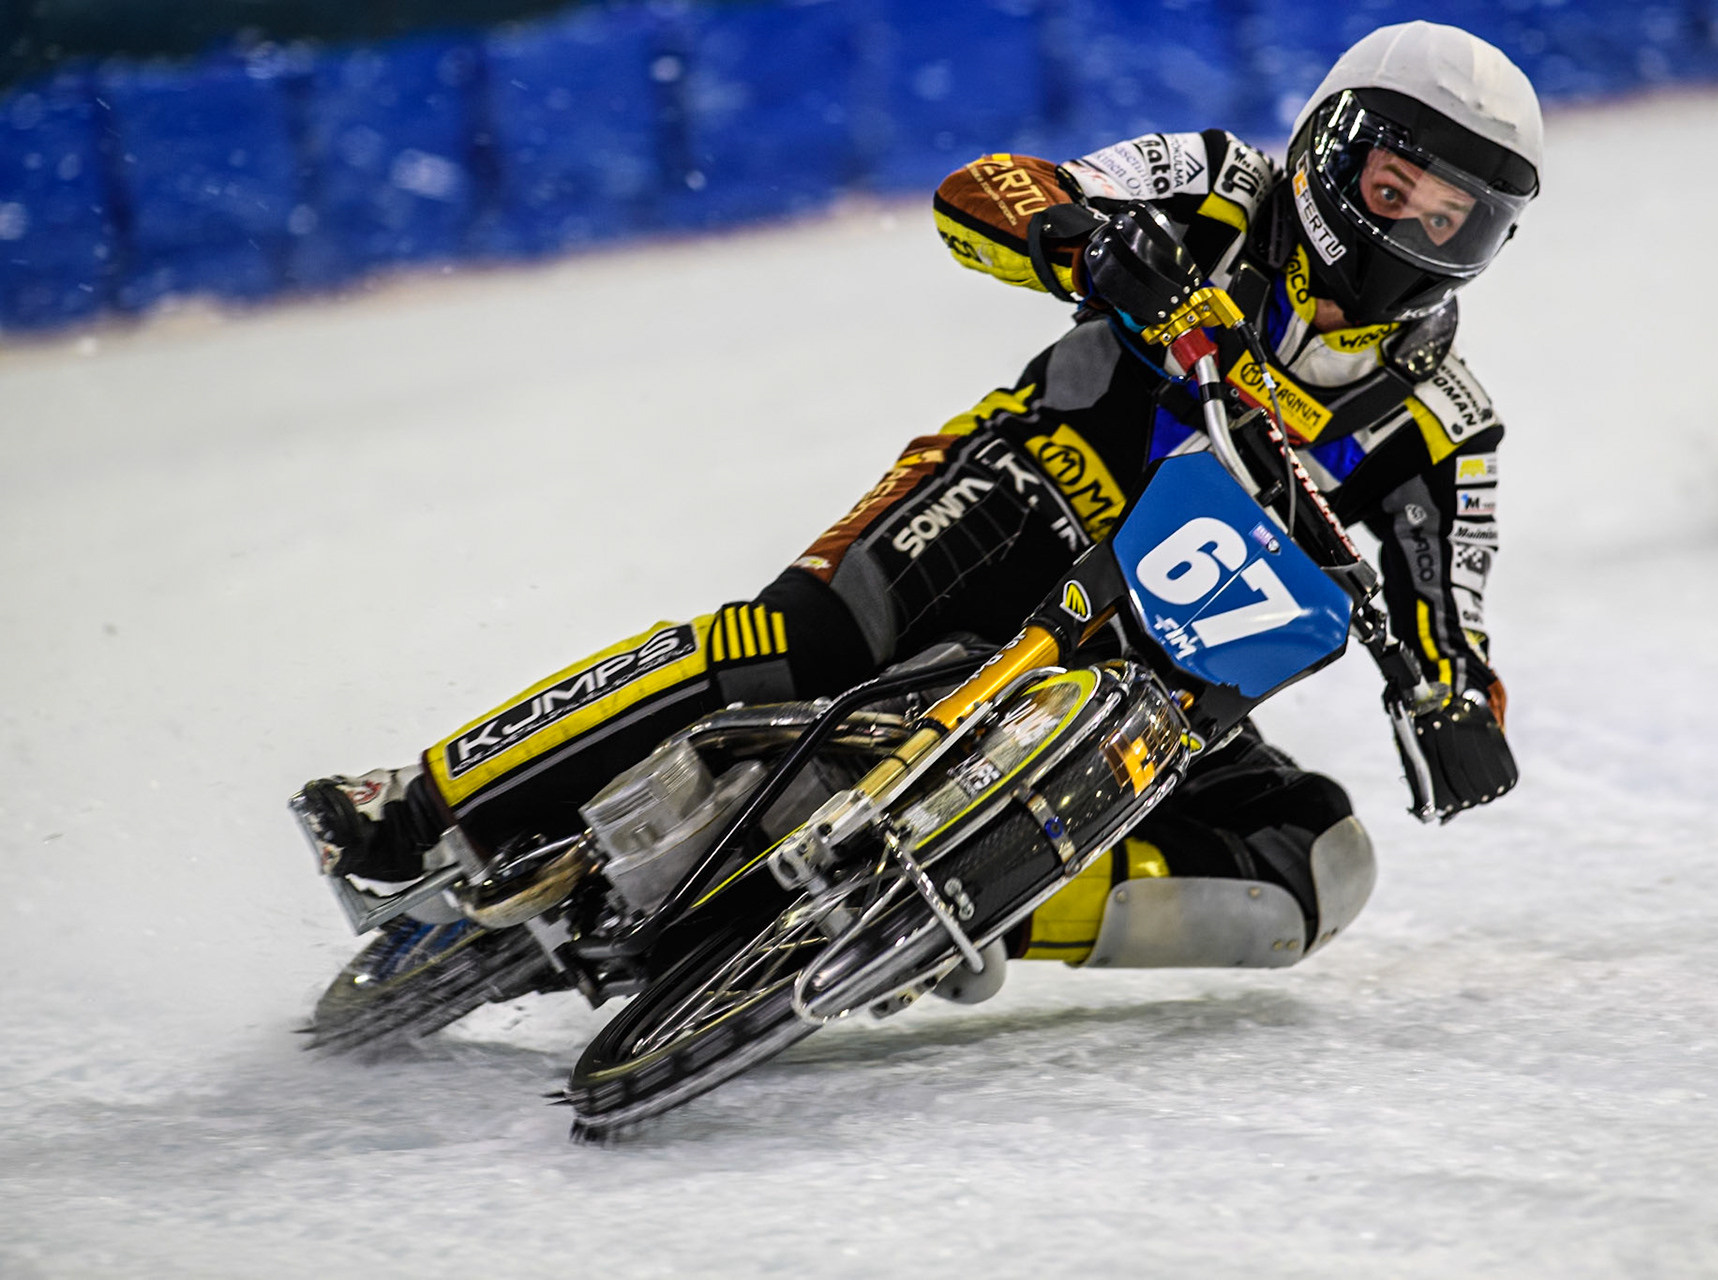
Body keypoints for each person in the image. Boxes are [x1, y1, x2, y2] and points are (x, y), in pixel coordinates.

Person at [297, 20, 1540, 975]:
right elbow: (989, 187)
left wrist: (1452, 707)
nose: (1411, 237)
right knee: (796, 644)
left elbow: (1451, 607)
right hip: (1021, 490)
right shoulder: (1218, 181)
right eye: (1395, 192)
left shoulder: (1450, 417)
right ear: (1331, 151)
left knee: (1314, 863)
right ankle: (413, 801)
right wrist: (1083, 239)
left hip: (1168, 655)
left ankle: (963, 909)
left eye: (1454, 223)